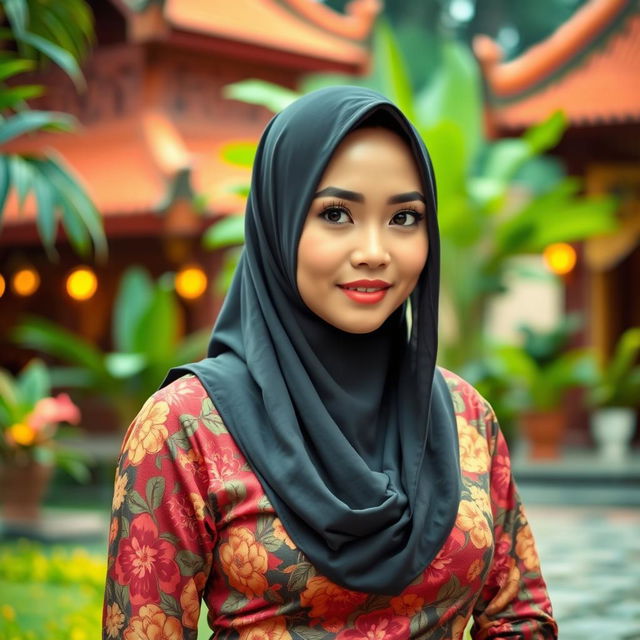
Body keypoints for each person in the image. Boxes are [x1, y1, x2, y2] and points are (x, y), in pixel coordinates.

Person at [102, 86, 558, 639]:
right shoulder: (186, 429)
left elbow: (519, 618)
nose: (374, 250)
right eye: (337, 213)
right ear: (279, 222)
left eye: (405, 218)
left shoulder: (466, 416)